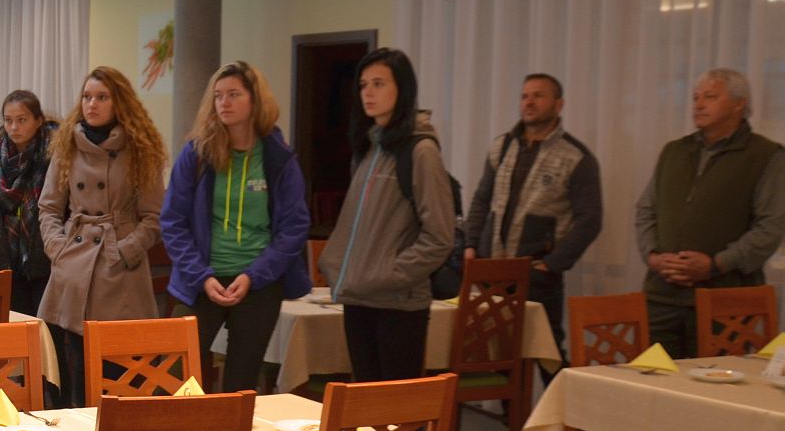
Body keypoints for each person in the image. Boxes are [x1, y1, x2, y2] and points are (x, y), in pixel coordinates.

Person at [161, 62, 312, 392]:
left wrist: (253, 276)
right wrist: (202, 276)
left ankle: (231, 429)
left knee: (241, 385)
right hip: (201, 280)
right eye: (218, 96)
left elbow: (294, 227)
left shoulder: (278, 157)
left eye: (233, 95)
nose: (223, 103)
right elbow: (172, 222)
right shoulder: (196, 153)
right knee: (174, 378)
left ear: (255, 100)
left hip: (257, 283)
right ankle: (184, 428)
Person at [318, 48, 457, 383]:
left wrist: (391, 273)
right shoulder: (367, 149)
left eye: (379, 84)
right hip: (359, 297)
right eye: (363, 85)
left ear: (402, 89)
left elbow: (440, 237)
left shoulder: (421, 151)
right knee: (365, 401)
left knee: (397, 406)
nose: (368, 92)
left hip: (398, 303)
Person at [37, 66, 168, 407]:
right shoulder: (67, 145)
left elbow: (154, 217)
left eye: (101, 97)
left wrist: (125, 251)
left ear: (119, 102)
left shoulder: (141, 149)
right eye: (87, 97)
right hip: (73, 267)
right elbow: (48, 207)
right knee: (72, 371)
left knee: (120, 371)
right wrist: (58, 249)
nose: (92, 104)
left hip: (119, 270)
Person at [634, 67, 784, 357]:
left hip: (725, 299)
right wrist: (653, 257)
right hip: (662, 296)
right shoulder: (674, 151)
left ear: (739, 104)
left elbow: (771, 227)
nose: (699, 105)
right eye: (695, 97)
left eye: (710, 97)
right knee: (653, 379)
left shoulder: (765, 155)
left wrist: (715, 264)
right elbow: (645, 211)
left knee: (715, 380)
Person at [462, 73, 602, 355]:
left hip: (536, 275)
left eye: (538, 95)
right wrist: (471, 243)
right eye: (524, 96)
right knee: (492, 350)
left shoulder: (576, 157)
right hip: (491, 269)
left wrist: (553, 263)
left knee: (546, 352)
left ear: (558, 104)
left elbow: (590, 220)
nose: (529, 102)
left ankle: (560, 388)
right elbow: (481, 199)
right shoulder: (502, 146)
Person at [0, 90, 58, 317]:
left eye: (22, 120)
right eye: (8, 120)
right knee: (12, 327)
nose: (14, 127)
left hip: (44, 260)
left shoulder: (53, 157)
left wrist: (57, 245)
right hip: (6, 257)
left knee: (44, 328)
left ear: (38, 121)